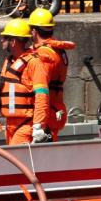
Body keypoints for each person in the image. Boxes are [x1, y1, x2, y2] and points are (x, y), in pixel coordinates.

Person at [0, 19, 51, 145]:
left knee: (16, 161)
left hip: (27, 124)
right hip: (10, 124)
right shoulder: (9, 62)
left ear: (14, 41)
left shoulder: (34, 63)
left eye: (5, 37)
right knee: (11, 161)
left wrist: (38, 126)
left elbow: (41, 95)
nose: (1, 40)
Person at [27, 8, 75, 142]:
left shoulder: (44, 55)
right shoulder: (56, 50)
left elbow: (42, 91)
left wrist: (38, 125)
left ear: (34, 31)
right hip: (54, 111)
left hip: (46, 116)